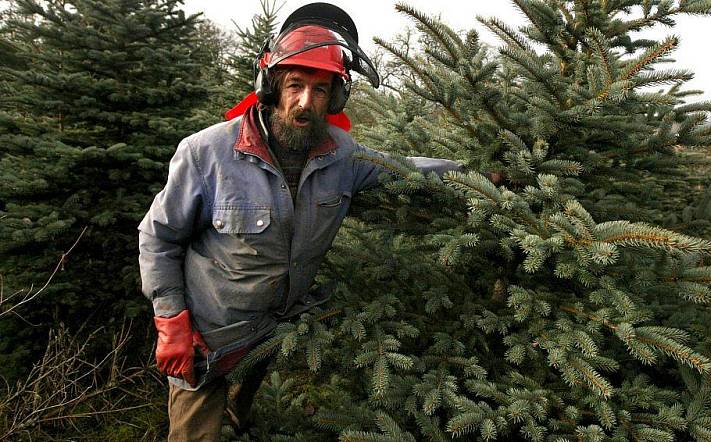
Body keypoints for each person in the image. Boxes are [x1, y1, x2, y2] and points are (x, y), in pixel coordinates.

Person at [138, 3, 472, 440]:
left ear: (335, 97)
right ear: (272, 87)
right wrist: (171, 323)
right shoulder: (207, 153)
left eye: (320, 90)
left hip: (276, 330)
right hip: (208, 338)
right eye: (295, 85)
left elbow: (403, 167)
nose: (304, 103)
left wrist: (478, 177)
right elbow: (158, 238)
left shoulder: (342, 154)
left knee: (244, 420)